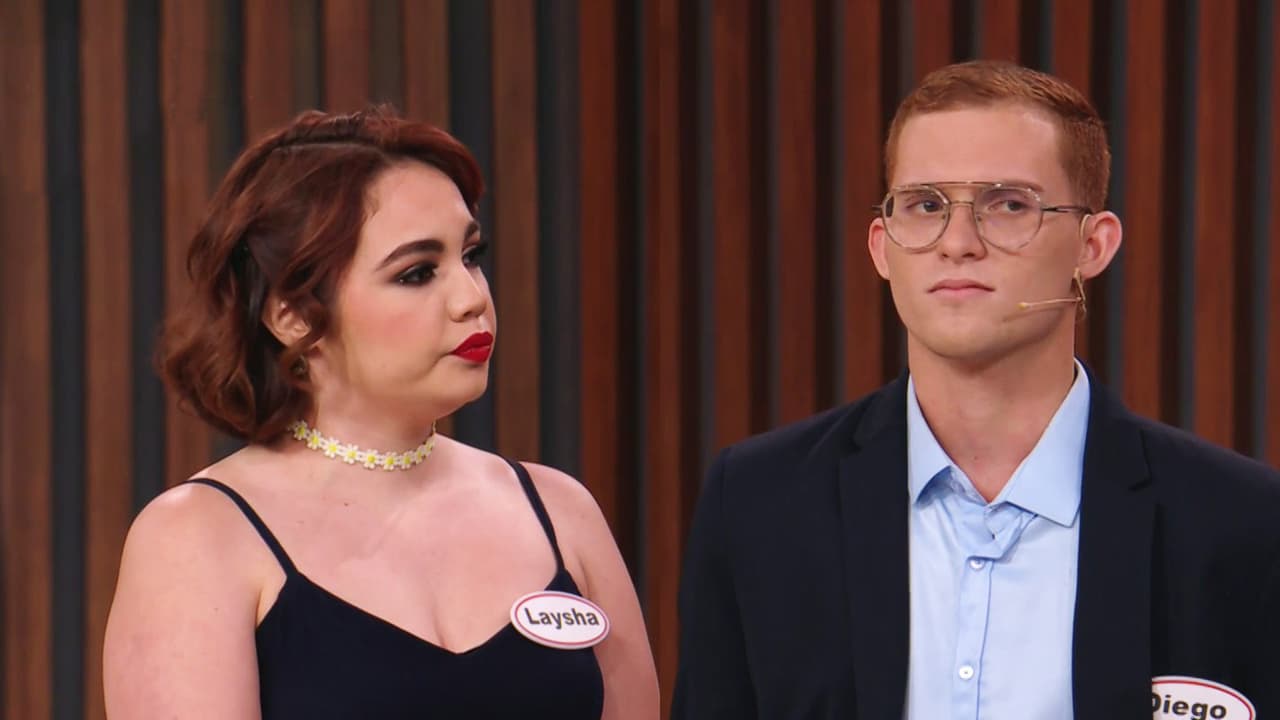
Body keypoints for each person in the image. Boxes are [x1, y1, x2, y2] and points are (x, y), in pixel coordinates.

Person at [672, 60, 1280, 719]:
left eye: (1009, 205)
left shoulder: (1240, 523)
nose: (957, 243)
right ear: (881, 247)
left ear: (1093, 245)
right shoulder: (760, 502)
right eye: (925, 206)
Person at [104, 107, 659, 719]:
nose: (471, 298)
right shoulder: (197, 536)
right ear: (292, 315)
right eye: (417, 273)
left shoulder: (561, 511)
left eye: (471, 256)